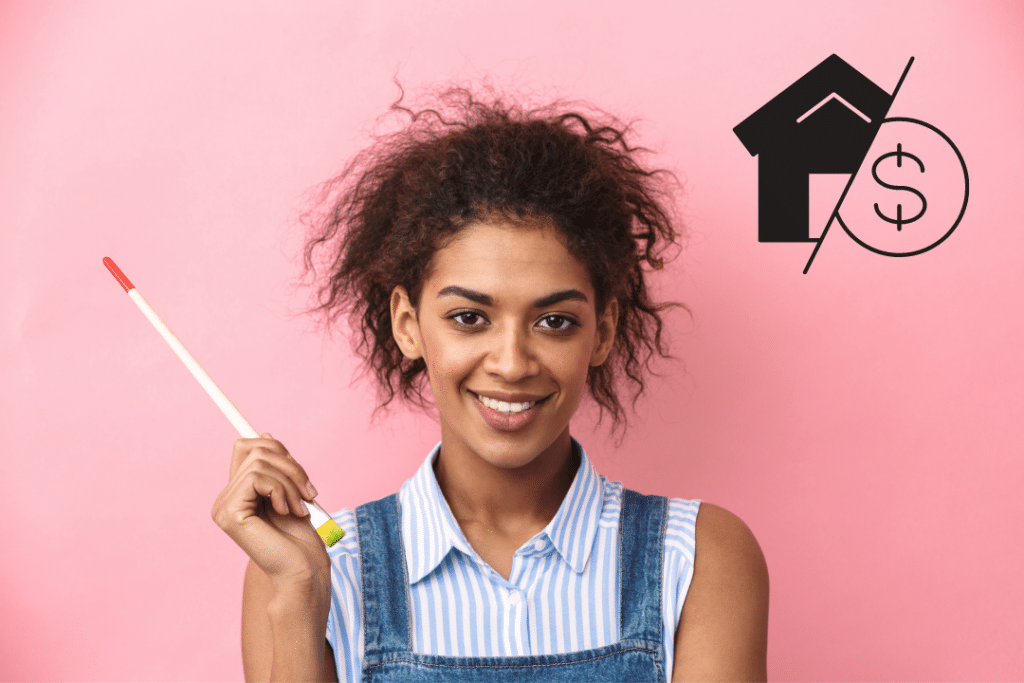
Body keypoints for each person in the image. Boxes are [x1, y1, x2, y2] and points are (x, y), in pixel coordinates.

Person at [212, 84, 769, 682]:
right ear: (408, 325)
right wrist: (299, 600)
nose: (511, 362)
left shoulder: (696, 557)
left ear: (602, 331)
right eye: (470, 318)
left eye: (554, 321)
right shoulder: (312, 567)